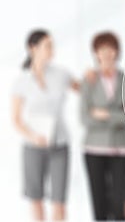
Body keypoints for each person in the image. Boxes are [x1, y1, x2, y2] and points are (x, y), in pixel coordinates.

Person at [11, 29, 79, 221]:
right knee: (36, 201)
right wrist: (33, 136)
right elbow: (15, 119)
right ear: (32, 48)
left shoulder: (62, 74)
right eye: (47, 46)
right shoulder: (21, 82)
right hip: (33, 146)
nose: (52, 49)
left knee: (59, 203)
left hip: (60, 145)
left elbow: (84, 90)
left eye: (52, 45)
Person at [80, 32, 125, 221]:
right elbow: (84, 117)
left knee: (120, 203)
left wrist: (104, 114)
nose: (106, 53)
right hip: (94, 148)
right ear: (96, 52)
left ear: (116, 51)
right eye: (101, 49)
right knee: (99, 202)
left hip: (120, 148)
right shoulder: (89, 80)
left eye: (110, 48)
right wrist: (119, 115)